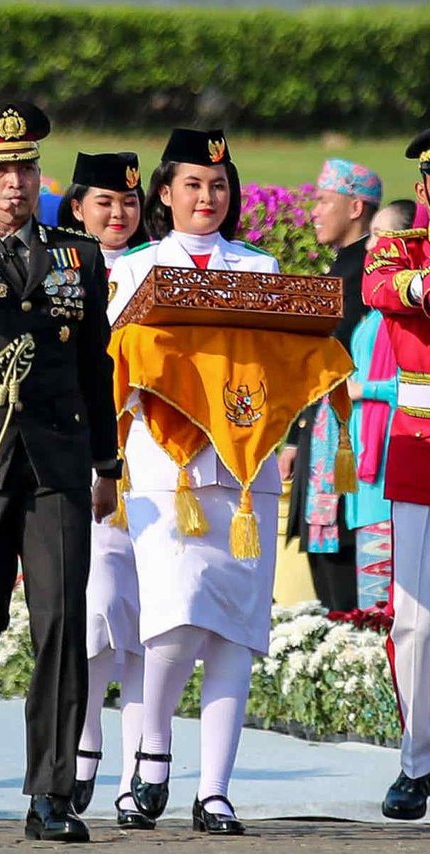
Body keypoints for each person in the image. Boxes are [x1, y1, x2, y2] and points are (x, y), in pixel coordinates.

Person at [0, 99, 121, 843]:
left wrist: (108, 461)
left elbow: (94, 364)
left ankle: (51, 792)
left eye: (23, 167)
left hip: (56, 459)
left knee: (60, 625)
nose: (13, 182)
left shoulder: (76, 254)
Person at [109, 128, 282, 835]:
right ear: (164, 193)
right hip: (165, 467)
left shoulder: (262, 265)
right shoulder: (136, 269)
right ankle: (153, 749)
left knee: (235, 635)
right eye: (191, 184)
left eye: (218, 184)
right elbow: (113, 361)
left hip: (244, 471)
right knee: (174, 621)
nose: (207, 197)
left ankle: (215, 791)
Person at [58, 151, 153, 829]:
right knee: (93, 614)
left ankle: (135, 774)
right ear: (76, 208)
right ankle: (84, 742)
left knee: (148, 624)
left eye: (128, 203)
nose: (117, 215)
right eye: (103, 203)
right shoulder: (57, 265)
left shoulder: (161, 267)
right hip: (84, 457)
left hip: (155, 461)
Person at [362, 130, 430, 820]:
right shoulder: (403, 247)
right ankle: (418, 763)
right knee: (416, 622)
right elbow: (380, 287)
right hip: (422, 454)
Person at [279, 158, 382, 611]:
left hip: (350, 448)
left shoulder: (368, 276)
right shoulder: (341, 269)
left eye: (323, 201)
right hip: (320, 438)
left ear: (356, 206)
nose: (314, 212)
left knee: (347, 591)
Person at [346, 202, 415, 609]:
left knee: (392, 606)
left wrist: (363, 389)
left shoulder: (407, 313)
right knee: (370, 609)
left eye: (379, 235)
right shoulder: (375, 309)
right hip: (366, 466)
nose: (370, 246)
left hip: (393, 461)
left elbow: (415, 384)